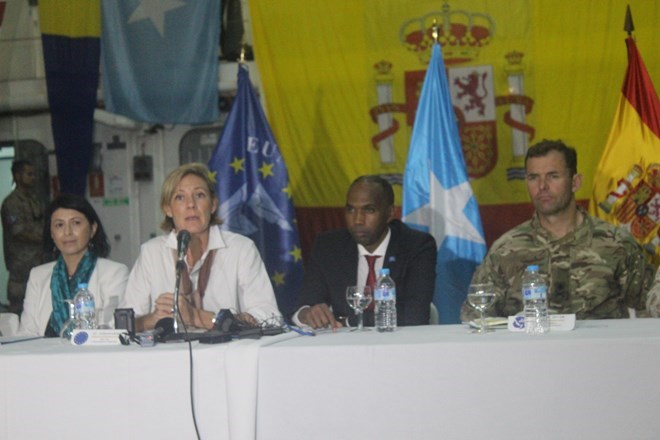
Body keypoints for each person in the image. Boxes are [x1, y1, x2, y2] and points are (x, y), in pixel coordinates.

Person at [462, 139, 653, 321]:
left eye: (553, 176)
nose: (542, 186)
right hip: (530, 344)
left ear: (575, 182)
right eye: (533, 178)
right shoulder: (506, 249)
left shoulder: (616, 243)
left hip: (601, 344)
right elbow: (476, 316)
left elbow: (650, 309)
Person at [121, 163, 281, 332]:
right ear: (168, 209)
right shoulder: (151, 252)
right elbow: (122, 324)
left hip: (227, 348)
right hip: (169, 349)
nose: (191, 204)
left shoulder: (241, 249)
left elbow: (269, 318)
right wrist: (151, 319)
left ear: (213, 205)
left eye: (199, 195)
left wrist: (196, 317)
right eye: (180, 197)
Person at [294, 175, 437, 329]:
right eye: (351, 210)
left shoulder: (416, 246)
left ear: (390, 213)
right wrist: (307, 314)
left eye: (369, 210)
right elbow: (306, 304)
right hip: (342, 342)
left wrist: (350, 322)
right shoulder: (329, 246)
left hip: (397, 339)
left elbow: (414, 315)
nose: (358, 220)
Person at [18, 194, 128, 336]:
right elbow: (26, 333)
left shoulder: (114, 273)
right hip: (43, 351)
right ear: (51, 233)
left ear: (93, 229)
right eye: (59, 225)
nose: (67, 232)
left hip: (94, 350)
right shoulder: (38, 276)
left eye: (76, 223)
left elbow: (112, 329)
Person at [1, 160, 44, 315]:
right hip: (21, 264)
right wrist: (44, 239)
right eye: (29, 174)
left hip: (38, 260)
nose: (33, 177)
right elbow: (18, 232)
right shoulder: (11, 203)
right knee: (19, 307)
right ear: (18, 176)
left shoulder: (33, 199)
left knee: (39, 304)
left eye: (33, 174)